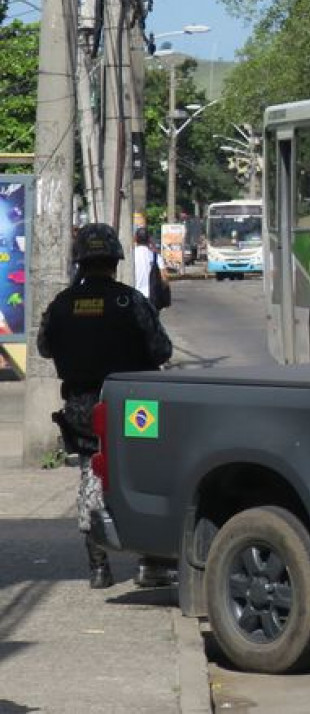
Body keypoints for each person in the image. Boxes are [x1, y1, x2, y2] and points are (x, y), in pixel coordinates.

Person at [36, 223, 173, 589]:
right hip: (134, 406)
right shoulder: (131, 302)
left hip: (82, 406)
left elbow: (44, 348)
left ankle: (98, 567)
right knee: (145, 473)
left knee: (90, 477)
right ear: (114, 260)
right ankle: (151, 564)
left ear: (79, 262)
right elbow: (162, 350)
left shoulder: (61, 306)